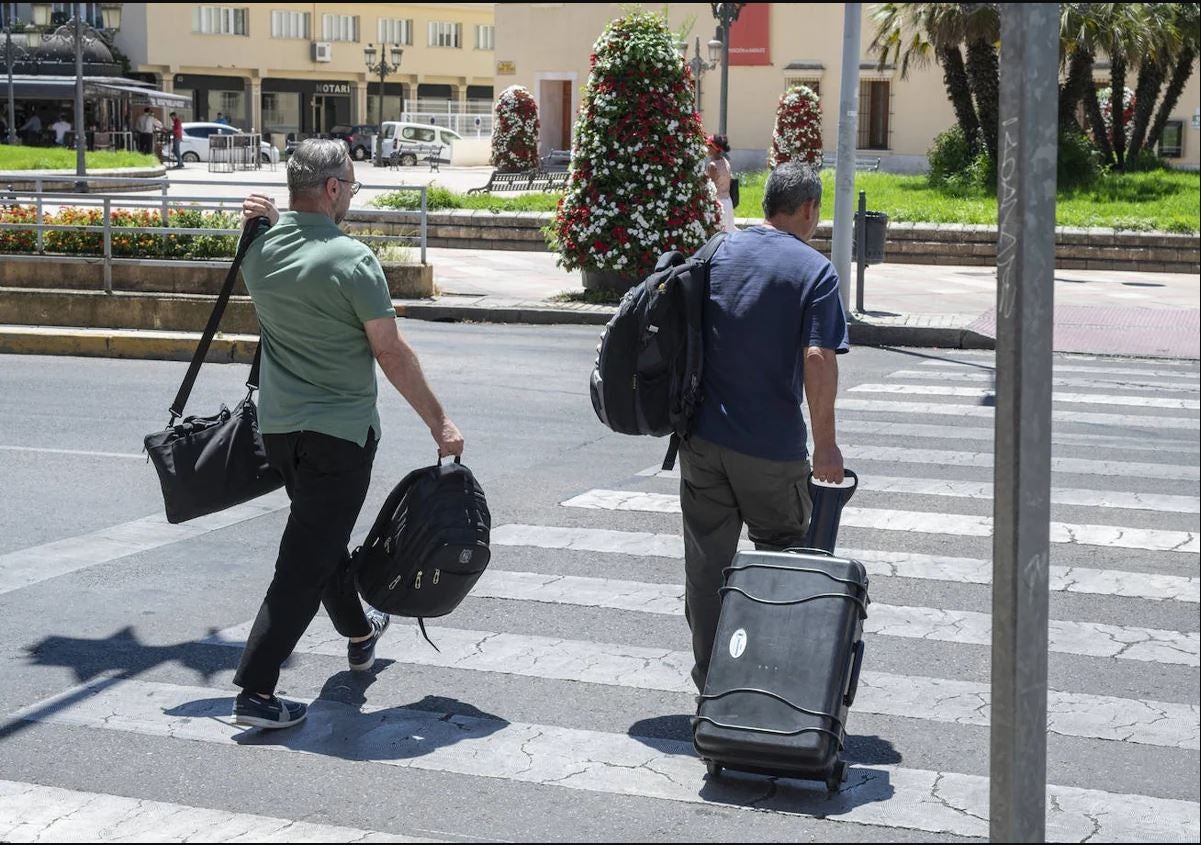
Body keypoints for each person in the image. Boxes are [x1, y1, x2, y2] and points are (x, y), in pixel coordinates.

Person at [231, 138, 465, 729]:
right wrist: (440, 422)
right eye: (351, 187)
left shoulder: (258, 251)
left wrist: (269, 221)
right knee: (302, 561)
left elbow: (286, 244)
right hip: (339, 435)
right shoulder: (352, 259)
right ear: (332, 188)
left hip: (280, 430)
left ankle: (359, 632)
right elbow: (389, 350)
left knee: (321, 535)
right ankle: (256, 688)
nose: (351, 197)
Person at [680, 161, 849, 693]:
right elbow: (818, 358)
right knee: (782, 561)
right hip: (771, 451)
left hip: (702, 442)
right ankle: (771, 688)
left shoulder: (719, 249)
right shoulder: (814, 271)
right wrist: (826, 447)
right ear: (808, 209)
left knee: (708, 568)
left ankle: (713, 683)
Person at [706, 134, 737, 234]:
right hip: (728, 202)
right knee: (729, 232)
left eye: (709, 146)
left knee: (718, 236)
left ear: (715, 148)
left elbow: (709, 186)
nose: (707, 148)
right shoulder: (725, 162)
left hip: (718, 204)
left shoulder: (712, 165)